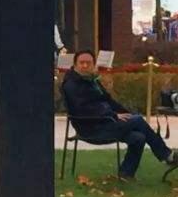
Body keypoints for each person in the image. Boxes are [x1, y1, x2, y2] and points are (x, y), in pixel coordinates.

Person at [62, 49, 178, 180]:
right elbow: (84, 109)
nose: (84, 66)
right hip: (90, 128)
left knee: (138, 137)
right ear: (75, 64)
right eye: (81, 63)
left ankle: (126, 174)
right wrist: (113, 115)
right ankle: (166, 155)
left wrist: (126, 114)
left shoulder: (92, 81)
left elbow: (109, 101)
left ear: (93, 64)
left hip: (106, 123)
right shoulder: (71, 84)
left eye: (88, 63)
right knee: (138, 120)